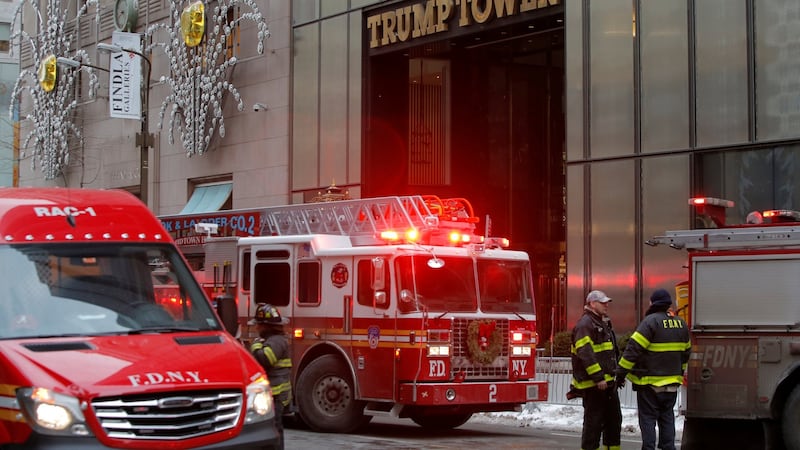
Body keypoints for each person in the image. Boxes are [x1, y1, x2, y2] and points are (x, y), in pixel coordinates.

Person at [615, 289, 691, 450]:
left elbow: (632, 350)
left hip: (650, 384)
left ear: (653, 303)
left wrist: (620, 374)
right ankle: (668, 447)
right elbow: (686, 353)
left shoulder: (650, 322)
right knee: (667, 418)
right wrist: (679, 372)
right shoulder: (681, 324)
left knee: (648, 420)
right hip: (672, 384)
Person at [570, 289, 622, 450]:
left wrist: (617, 374)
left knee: (614, 421)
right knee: (593, 425)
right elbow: (586, 354)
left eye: (607, 302)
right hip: (594, 386)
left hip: (607, 384)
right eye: (602, 302)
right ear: (592, 304)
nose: (606, 305)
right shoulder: (585, 325)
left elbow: (610, 352)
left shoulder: (601, 323)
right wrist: (598, 377)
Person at [249, 303, 292, 450]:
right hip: (274, 394)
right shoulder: (273, 340)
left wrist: (254, 346)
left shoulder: (276, 341)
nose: (256, 328)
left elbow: (265, 359)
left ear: (266, 326)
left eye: (259, 325)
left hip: (277, 394)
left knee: (275, 429)